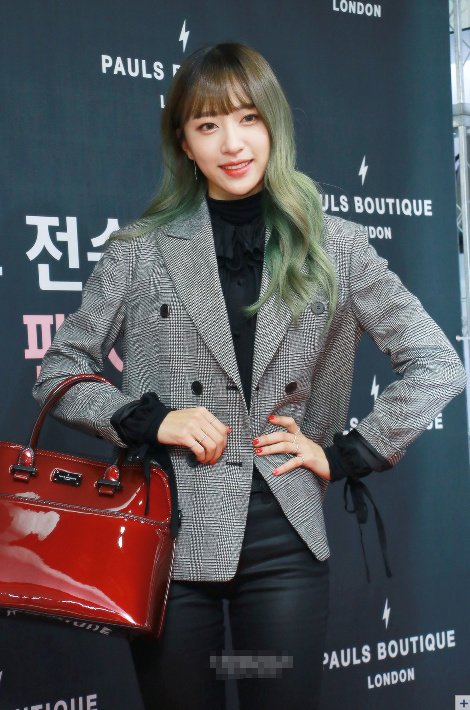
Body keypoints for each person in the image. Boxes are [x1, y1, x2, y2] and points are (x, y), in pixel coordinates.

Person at [33, 43, 466, 710]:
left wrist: (344, 453)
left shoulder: (335, 245)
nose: (232, 144)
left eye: (248, 119)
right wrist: (152, 419)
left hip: (282, 542)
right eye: (208, 125)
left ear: (273, 125)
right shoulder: (140, 251)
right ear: (184, 142)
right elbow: (60, 369)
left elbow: (437, 362)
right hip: (169, 532)